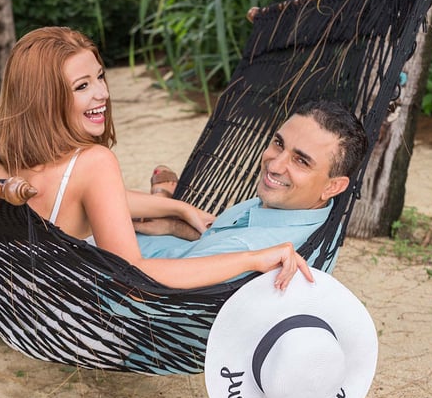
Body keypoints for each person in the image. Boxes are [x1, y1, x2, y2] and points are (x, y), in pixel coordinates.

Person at [0, 26, 312, 333]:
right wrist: (251, 259)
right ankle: (162, 206)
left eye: (100, 77)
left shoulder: (4, 155)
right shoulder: (93, 163)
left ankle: (165, 206)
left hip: (8, 297)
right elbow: (134, 275)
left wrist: (179, 207)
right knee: (130, 235)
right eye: (81, 87)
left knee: (140, 218)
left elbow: (79, 196)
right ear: (45, 99)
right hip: (69, 319)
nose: (102, 94)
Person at [134, 99, 368, 274]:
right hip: (181, 250)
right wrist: (173, 226)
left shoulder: (243, 250)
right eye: (278, 143)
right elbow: (220, 237)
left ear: (333, 187)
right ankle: (163, 204)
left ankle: (160, 200)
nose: (274, 165)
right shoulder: (316, 215)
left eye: (301, 160)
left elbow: (141, 283)